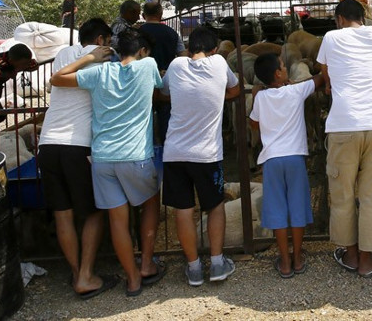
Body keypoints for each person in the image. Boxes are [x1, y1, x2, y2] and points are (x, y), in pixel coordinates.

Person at [51, 30, 166, 297]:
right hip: (136, 156)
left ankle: (132, 279)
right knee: (151, 202)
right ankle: (147, 264)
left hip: (102, 160)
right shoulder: (148, 66)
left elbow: (56, 79)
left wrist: (88, 58)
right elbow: (159, 88)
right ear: (142, 51)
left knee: (117, 221)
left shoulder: (99, 73)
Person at [316, 0, 372, 278]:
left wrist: (330, 83)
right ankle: (367, 260)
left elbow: (325, 74)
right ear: (363, 17)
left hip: (343, 125)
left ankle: (350, 255)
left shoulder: (331, 37)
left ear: (339, 18)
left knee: (343, 195)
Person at [37, 18, 118, 299]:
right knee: (93, 213)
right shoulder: (101, 62)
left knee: (63, 215)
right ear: (100, 40)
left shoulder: (63, 54)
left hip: (47, 144)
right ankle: (85, 276)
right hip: (78, 145)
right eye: (108, 42)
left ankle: (75, 273)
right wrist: (94, 57)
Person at [159, 27, 240, 286]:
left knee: (183, 210)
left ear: (188, 47)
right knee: (214, 206)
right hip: (207, 154)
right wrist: (219, 96)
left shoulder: (176, 65)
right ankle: (217, 263)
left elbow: (165, 93)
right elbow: (235, 89)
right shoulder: (218, 63)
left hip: (175, 153)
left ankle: (193, 267)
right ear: (215, 49)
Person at [250, 53, 324, 278]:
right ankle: (298, 257)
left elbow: (253, 123)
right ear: (278, 74)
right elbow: (319, 79)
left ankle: (284, 261)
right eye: (283, 66)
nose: (285, 69)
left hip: (272, 160)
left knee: (278, 211)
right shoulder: (295, 91)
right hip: (294, 158)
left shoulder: (260, 98)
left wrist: (256, 96)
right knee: (298, 207)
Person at [139, 1, 186, 157]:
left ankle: (147, 152)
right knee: (166, 119)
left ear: (143, 15)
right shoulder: (172, 33)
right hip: (167, 82)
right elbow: (183, 56)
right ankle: (167, 154)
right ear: (161, 15)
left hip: (141, 83)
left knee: (143, 120)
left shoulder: (136, 33)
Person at [0, 43, 39, 122]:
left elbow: (34, 64)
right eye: (23, 64)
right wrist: (7, 74)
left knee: (0, 115)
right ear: (11, 61)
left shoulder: (14, 60)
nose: (25, 66)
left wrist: (16, 70)